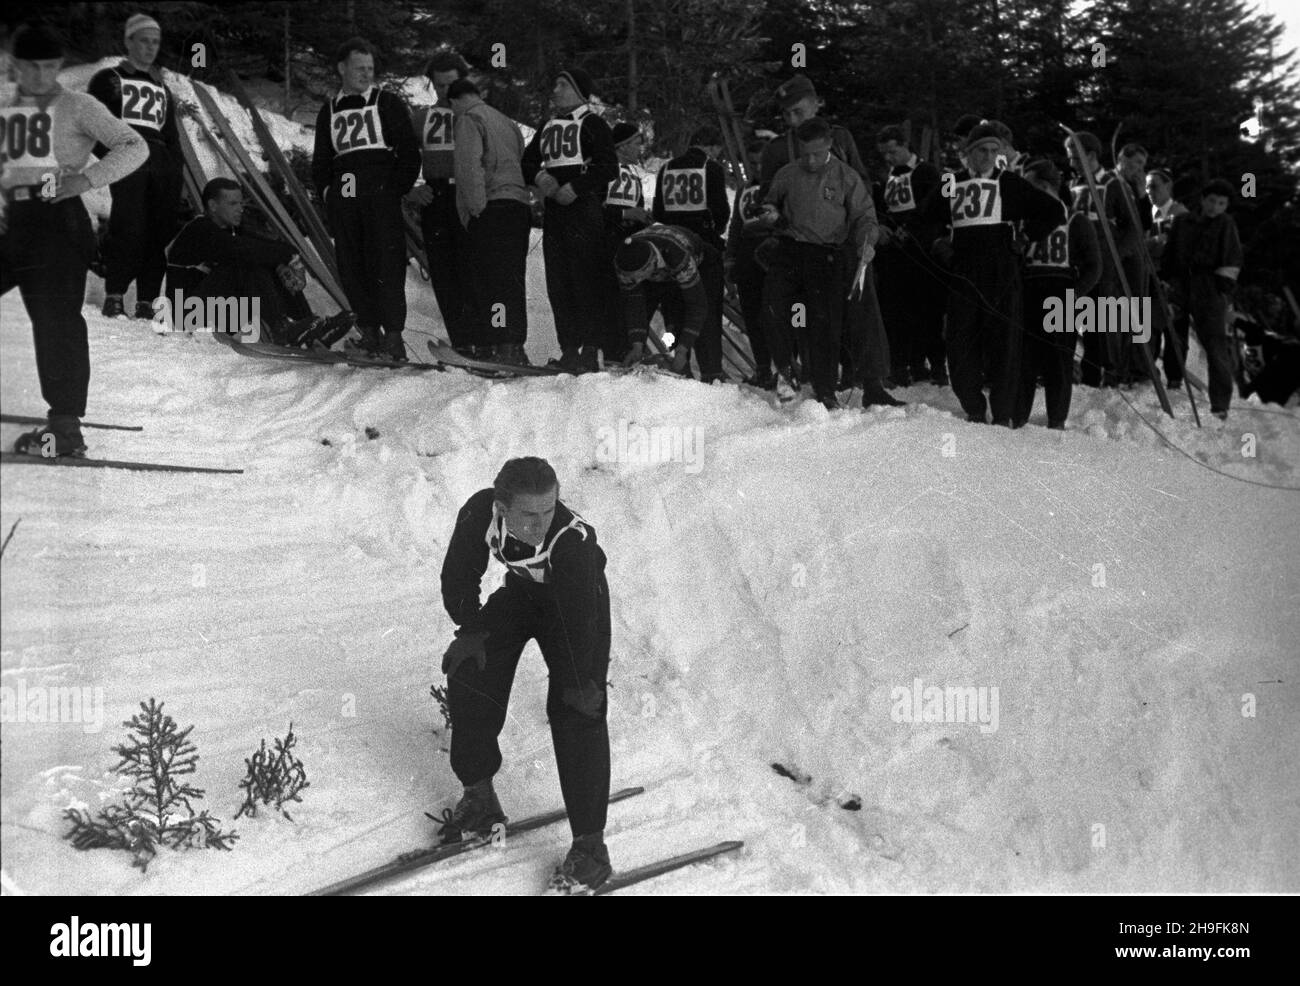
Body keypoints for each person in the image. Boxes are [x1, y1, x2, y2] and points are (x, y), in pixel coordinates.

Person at [439, 457, 612, 893]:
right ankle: (479, 798)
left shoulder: (572, 543)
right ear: (501, 506)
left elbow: (578, 622)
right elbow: (459, 576)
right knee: (470, 670)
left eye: (548, 510)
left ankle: (591, 849)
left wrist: (579, 680)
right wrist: (472, 627)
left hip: (577, 609)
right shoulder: (481, 513)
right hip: (522, 596)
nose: (539, 524)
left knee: (576, 710)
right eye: (528, 514)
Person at [2, 21, 147, 457]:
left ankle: (64, 427)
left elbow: (134, 145)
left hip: (57, 222)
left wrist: (86, 180)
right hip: (12, 221)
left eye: (51, 67)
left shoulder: (79, 106)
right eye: (33, 67)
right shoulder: (6, 109)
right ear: (14, 66)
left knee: (56, 321)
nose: (42, 76)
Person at [920, 122, 1065, 425]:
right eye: (981, 151)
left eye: (993, 151)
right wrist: (939, 243)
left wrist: (1025, 239)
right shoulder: (951, 182)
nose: (987, 157)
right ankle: (974, 406)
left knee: (1004, 347)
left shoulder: (1009, 182)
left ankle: (1002, 414)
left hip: (1002, 273)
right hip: (964, 273)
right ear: (967, 154)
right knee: (960, 346)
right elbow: (924, 218)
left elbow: (1054, 211)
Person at [755, 116, 877, 409]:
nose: (810, 160)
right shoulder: (787, 173)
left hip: (826, 256)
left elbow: (864, 217)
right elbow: (769, 201)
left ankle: (825, 390)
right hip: (789, 250)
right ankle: (785, 371)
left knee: (825, 324)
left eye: (817, 153)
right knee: (772, 309)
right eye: (805, 153)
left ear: (830, 146)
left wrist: (866, 244)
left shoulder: (846, 176)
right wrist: (770, 213)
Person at [311, 37, 420, 360]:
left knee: (385, 263)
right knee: (352, 264)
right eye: (359, 68)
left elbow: (409, 153)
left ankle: (394, 338)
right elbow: (322, 161)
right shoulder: (328, 110)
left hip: (379, 194)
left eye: (370, 69)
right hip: (346, 197)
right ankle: (369, 333)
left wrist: (393, 189)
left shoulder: (387, 103)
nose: (366, 74)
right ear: (342, 68)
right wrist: (329, 193)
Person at [165, 177, 353, 346]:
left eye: (241, 203)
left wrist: (287, 259)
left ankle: (311, 327)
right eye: (232, 204)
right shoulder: (199, 229)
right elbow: (241, 250)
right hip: (188, 313)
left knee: (266, 259)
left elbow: (268, 246)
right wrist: (284, 255)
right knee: (246, 260)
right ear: (213, 205)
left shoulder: (231, 230)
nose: (240, 209)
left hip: (221, 309)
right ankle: (282, 328)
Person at [521, 69, 619, 372]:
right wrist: (541, 177)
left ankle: (590, 348)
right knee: (558, 280)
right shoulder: (549, 125)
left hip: (584, 210)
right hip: (555, 213)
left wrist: (576, 188)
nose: (555, 89)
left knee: (585, 278)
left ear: (578, 91)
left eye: (562, 85)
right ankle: (568, 348)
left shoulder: (592, 123)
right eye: (556, 83)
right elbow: (527, 160)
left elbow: (608, 167)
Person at [87, 13, 182, 320]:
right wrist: (115, 156)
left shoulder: (162, 87)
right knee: (129, 227)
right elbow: (94, 125)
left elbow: (171, 136)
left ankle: (147, 299)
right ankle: (115, 295)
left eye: (155, 42)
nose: (150, 48)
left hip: (161, 164)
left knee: (158, 231)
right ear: (129, 42)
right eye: (143, 41)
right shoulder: (109, 80)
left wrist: (175, 170)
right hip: (129, 158)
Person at [447, 78, 532, 365]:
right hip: (518, 206)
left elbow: (468, 166)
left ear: (455, 101)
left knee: (490, 281)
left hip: (492, 206)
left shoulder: (468, 119)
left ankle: (499, 345)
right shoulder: (506, 121)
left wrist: (475, 209)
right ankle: (514, 346)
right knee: (512, 279)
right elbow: (520, 157)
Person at [1013, 160, 1101, 429]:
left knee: (1059, 362)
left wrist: (1074, 296)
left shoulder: (1075, 219)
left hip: (1061, 292)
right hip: (1029, 293)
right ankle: (1018, 418)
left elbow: (1094, 266)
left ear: (1043, 186)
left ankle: (1057, 420)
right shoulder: (1022, 222)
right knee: (1023, 359)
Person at [1160, 178, 1244, 418]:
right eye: (1211, 201)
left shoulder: (1226, 225)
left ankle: (1220, 404)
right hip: (1180, 284)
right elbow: (1170, 253)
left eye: (1221, 203)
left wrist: (1221, 288)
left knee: (1215, 344)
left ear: (1226, 206)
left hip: (1209, 289)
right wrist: (1168, 279)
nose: (1214, 207)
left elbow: (1232, 259)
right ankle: (1174, 380)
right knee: (1175, 335)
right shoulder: (1183, 222)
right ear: (1202, 200)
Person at [652, 126, 729, 382]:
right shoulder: (711, 168)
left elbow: (658, 212)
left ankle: (674, 361)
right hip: (702, 248)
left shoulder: (666, 169)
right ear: (710, 147)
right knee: (707, 310)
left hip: (671, 246)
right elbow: (721, 212)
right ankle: (711, 370)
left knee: (673, 311)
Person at [409, 50, 474, 353]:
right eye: (440, 85)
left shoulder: (476, 114)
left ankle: (484, 340)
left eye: (452, 84)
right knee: (444, 273)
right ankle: (461, 342)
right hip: (436, 197)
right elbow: (400, 158)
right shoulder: (422, 117)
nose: (447, 91)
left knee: (472, 270)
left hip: (469, 196)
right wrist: (410, 188)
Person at [874, 124, 947, 387]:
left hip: (924, 254)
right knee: (897, 312)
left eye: (892, 151)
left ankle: (937, 365)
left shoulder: (926, 172)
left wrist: (914, 229)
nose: (888, 158)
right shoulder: (887, 177)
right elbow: (883, 210)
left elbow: (935, 207)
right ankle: (904, 364)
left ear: (906, 146)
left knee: (929, 311)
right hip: (896, 255)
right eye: (884, 153)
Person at [1064, 131, 1134, 387]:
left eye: (1074, 157)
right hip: (1077, 260)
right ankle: (1084, 371)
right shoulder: (1073, 185)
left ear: (1090, 155)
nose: (1071, 163)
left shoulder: (1112, 184)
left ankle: (1105, 372)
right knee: (1077, 314)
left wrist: (1117, 255)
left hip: (1104, 260)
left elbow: (1131, 228)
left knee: (1101, 318)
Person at [613, 223, 711, 376]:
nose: (636, 281)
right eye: (632, 278)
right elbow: (634, 303)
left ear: (651, 265)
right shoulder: (624, 264)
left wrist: (683, 349)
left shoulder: (678, 256)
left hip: (696, 256)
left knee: (680, 318)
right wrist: (637, 344)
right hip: (659, 270)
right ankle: (638, 356)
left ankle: (702, 374)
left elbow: (697, 305)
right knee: (630, 321)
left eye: (639, 276)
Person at [725, 138, 776, 388]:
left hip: (773, 256)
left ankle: (793, 365)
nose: (757, 168)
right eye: (752, 163)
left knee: (790, 314)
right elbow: (736, 224)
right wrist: (730, 257)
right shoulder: (745, 188)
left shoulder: (781, 183)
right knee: (753, 316)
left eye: (761, 163)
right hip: (747, 258)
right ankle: (764, 368)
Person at [601, 122, 651, 363]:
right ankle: (610, 349)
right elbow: (594, 208)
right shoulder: (604, 168)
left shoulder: (633, 173)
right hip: (606, 240)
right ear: (621, 145)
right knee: (609, 295)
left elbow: (637, 205)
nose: (639, 149)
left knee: (630, 295)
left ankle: (628, 347)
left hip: (628, 241)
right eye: (636, 144)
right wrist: (624, 215)